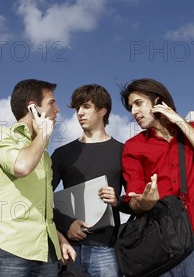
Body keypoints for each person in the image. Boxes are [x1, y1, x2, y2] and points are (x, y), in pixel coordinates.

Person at [120, 78, 194, 276]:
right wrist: (144, 202)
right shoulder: (133, 147)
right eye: (130, 107)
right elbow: (133, 200)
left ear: (158, 102)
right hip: (162, 245)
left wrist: (179, 121)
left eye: (138, 103)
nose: (133, 112)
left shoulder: (193, 132)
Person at [0, 79, 75, 277]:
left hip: (48, 257)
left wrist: (59, 239)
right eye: (52, 103)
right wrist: (43, 135)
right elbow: (21, 166)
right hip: (10, 253)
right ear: (33, 107)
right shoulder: (0, 135)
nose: (57, 110)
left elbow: (42, 210)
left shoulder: (43, 155)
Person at [51, 84, 130, 277]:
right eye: (78, 108)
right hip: (69, 250)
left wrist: (117, 200)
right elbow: (40, 198)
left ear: (103, 110)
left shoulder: (123, 152)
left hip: (107, 249)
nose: (80, 113)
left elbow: (135, 202)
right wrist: (66, 224)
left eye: (86, 106)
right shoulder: (62, 154)